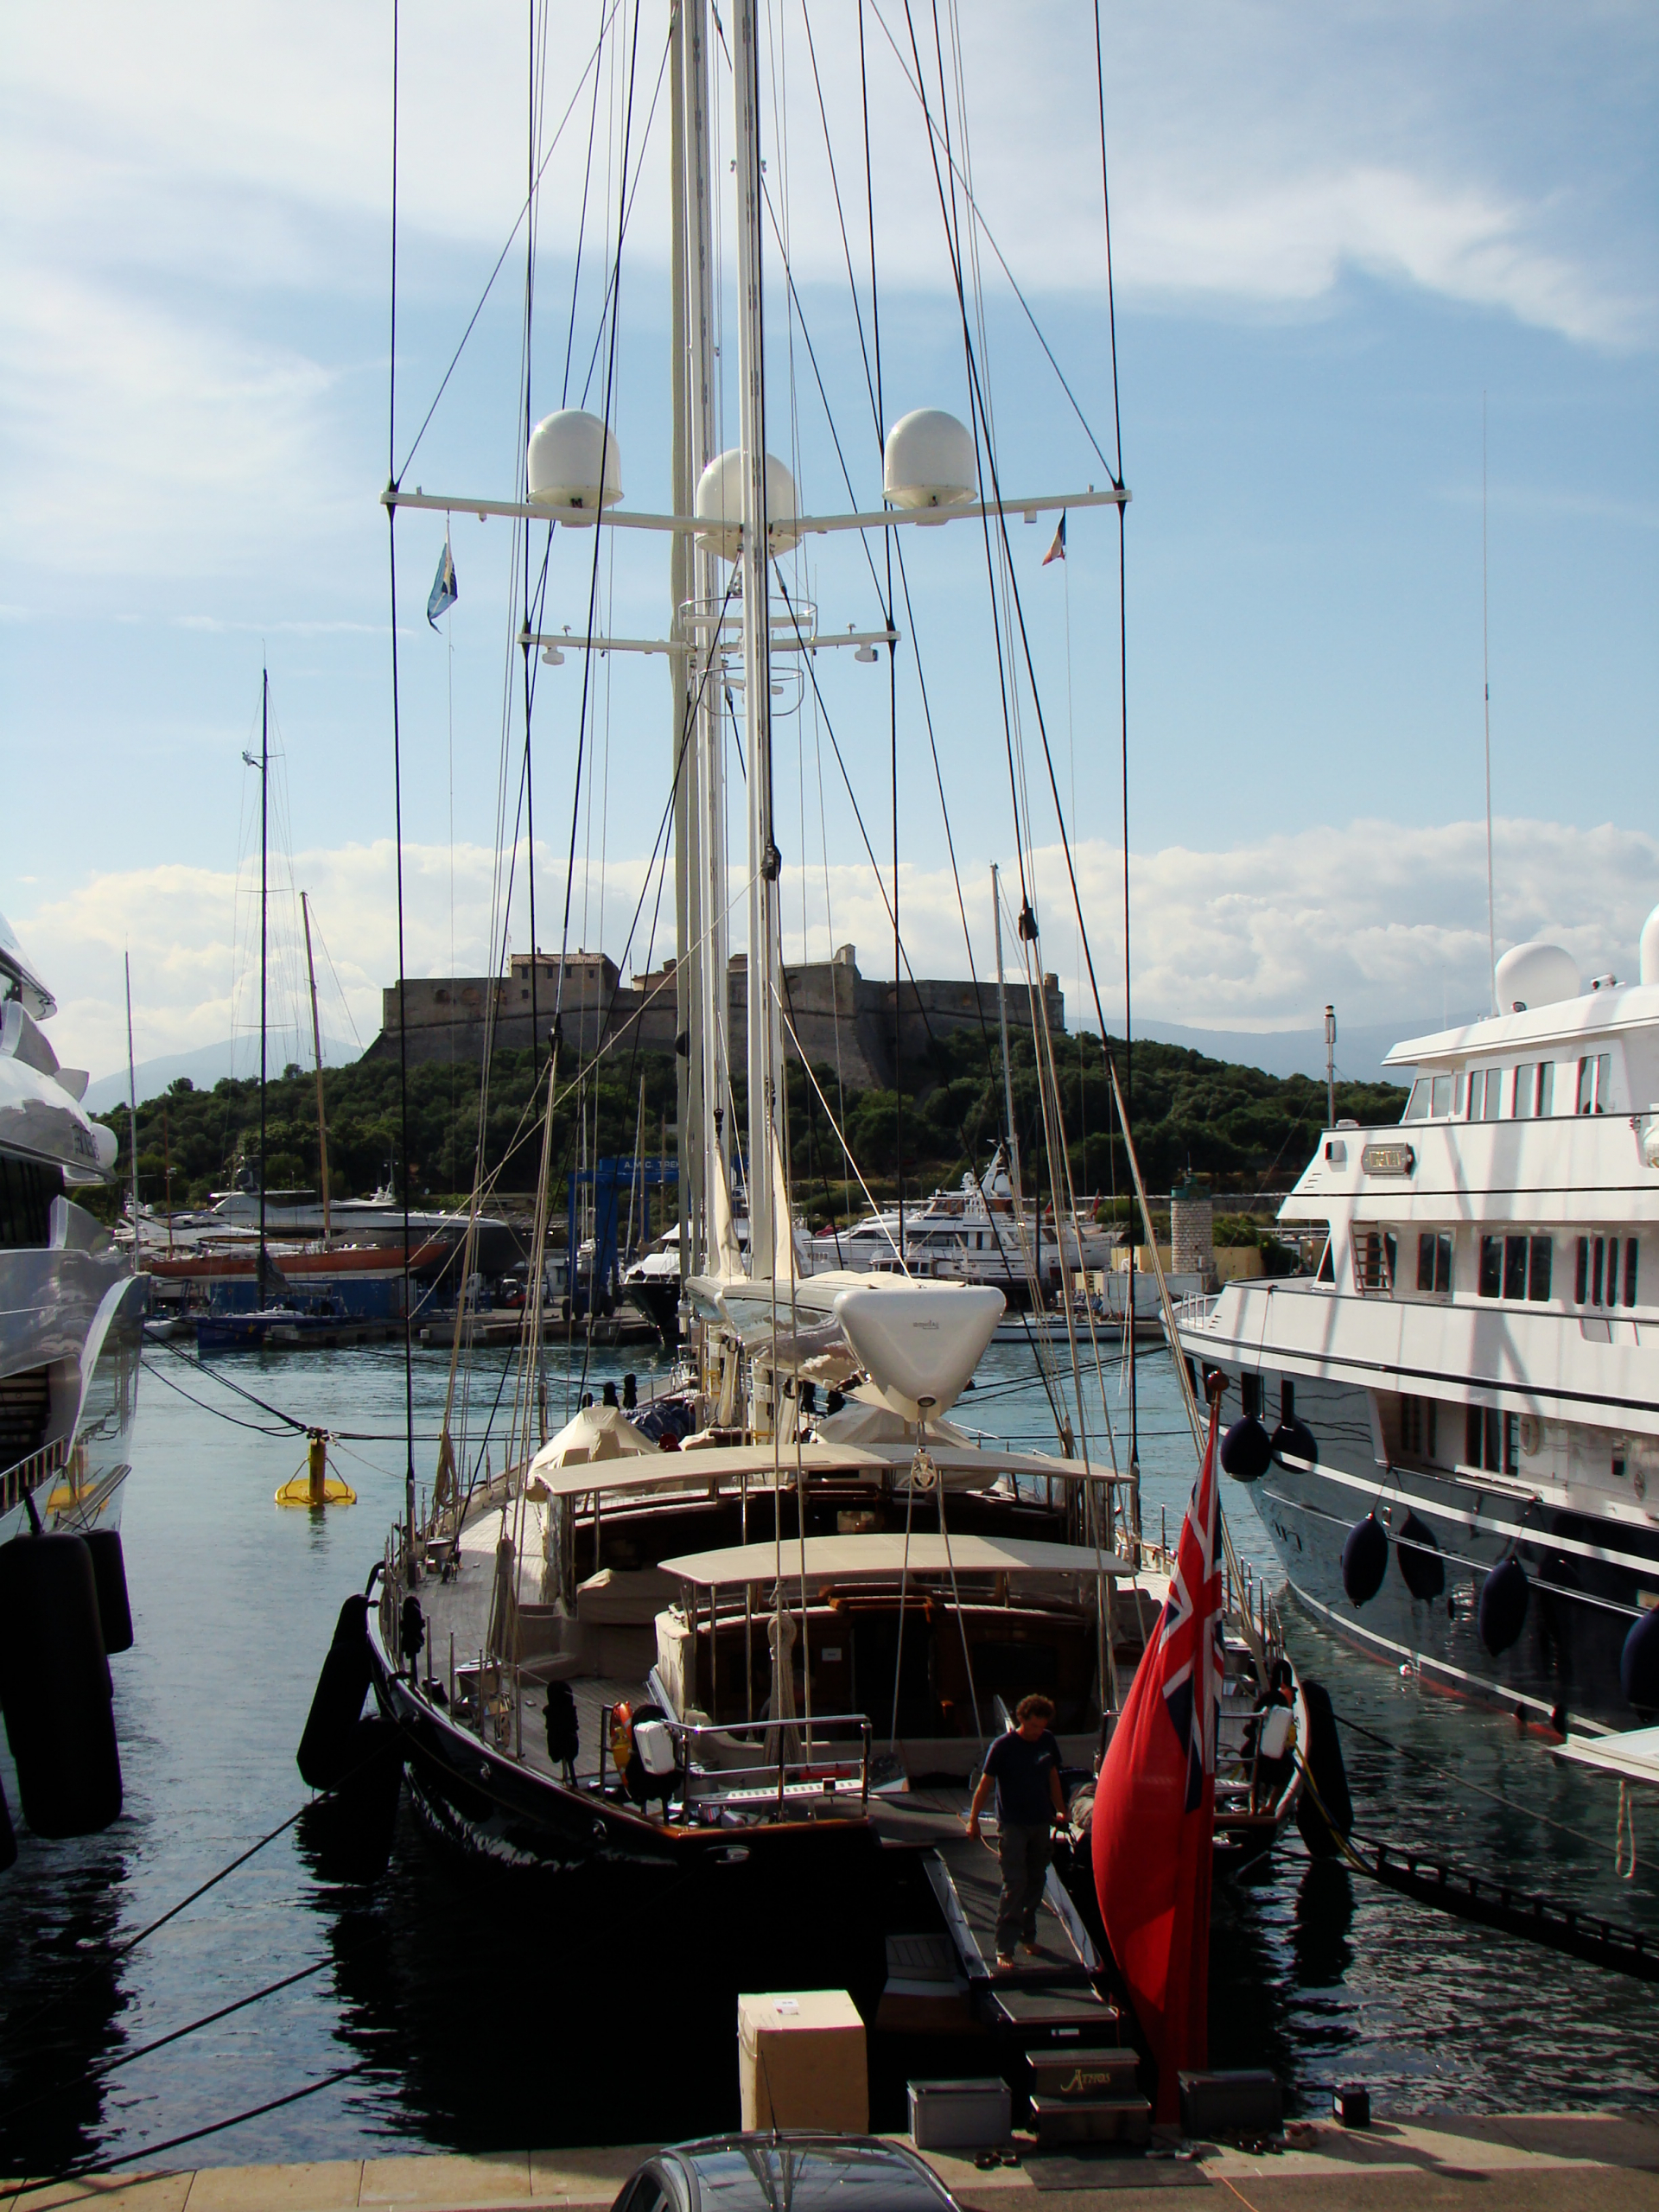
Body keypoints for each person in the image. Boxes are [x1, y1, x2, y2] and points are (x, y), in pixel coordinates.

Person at [965, 1693, 1067, 1969]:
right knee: (1015, 1883)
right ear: (1022, 1720)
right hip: (1012, 1823)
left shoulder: (1047, 1741)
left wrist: (1060, 1809)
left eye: (1042, 1726)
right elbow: (985, 1784)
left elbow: (1053, 1776)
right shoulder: (1003, 1746)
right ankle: (1004, 1946)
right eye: (1033, 1726)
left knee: (1036, 1880)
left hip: (1040, 1821)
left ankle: (1028, 1935)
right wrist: (973, 1819)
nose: (1037, 1732)